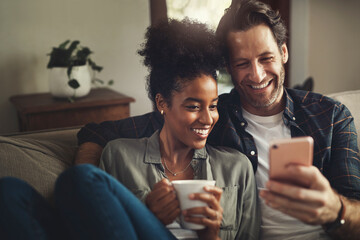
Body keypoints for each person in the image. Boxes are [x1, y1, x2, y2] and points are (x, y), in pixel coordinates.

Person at [75, 0, 360, 239]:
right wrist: (86, 192)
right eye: (242, 63)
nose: (257, 75)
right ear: (228, 68)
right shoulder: (214, 114)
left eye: (265, 58)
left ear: (283, 52)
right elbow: (98, 132)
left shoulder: (331, 116)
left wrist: (335, 209)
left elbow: (356, 211)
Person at [0, 19, 260, 240]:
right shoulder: (119, 155)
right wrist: (146, 212)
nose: (208, 119)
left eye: (213, 106)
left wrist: (211, 236)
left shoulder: (236, 168)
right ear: (162, 103)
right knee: (8, 192)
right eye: (193, 107)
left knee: (82, 178)